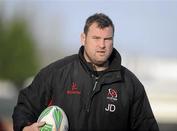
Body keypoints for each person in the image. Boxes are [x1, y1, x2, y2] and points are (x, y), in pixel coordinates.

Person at [12, 13, 159, 131]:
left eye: (107, 39)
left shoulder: (129, 83)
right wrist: (25, 127)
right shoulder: (57, 73)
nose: (102, 45)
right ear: (83, 38)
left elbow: (147, 125)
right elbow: (25, 106)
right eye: (96, 38)